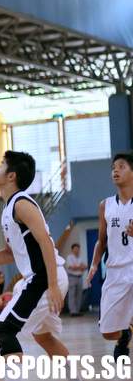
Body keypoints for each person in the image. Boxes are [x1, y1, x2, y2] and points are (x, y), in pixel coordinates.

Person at [0, 151, 71, 367]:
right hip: (41, 278)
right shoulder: (8, 208)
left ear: (11, 176)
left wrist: (52, 285)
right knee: (43, 336)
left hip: (44, 278)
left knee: (4, 329)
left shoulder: (21, 204)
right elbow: (11, 253)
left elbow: (45, 241)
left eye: (0, 165)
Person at [86, 152, 133, 359]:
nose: (115, 170)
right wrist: (95, 264)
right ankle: (124, 334)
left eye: (121, 166)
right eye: (114, 167)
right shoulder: (105, 205)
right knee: (107, 332)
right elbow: (101, 240)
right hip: (115, 271)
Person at [66, 243, 87, 316]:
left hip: (79, 277)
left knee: (79, 295)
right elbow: (71, 267)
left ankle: (77, 311)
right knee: (72, 295)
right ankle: (72, 311)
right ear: (72, 249)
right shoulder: (69, 257)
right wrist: (80, 267)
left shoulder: (80, 258)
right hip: (72, 277)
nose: (77, 250)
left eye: (78, 249)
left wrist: (77, 267)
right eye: (75, 249)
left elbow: (85, 267)